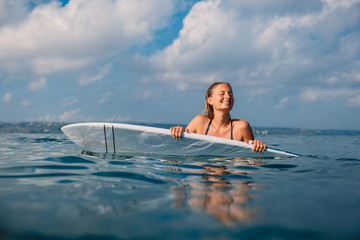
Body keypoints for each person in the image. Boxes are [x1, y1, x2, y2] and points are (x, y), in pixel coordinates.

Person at [170, 82, 266, 153]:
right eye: (222, 93)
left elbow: (253, 160)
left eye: (230, 94)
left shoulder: (241, 127)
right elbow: (178, 149)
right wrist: (177, 132)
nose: (228, 97)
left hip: (232, 175)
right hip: (203, 174)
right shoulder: (199, 122)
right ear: (210, 100)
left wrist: (258, 147)